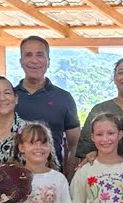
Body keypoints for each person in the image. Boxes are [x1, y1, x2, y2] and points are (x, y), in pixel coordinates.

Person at [14, 36, 80, 176]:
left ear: (48, 61)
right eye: (28, 55)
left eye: (40, 55)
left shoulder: (64, 98)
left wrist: (68, 178)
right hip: (14, 180)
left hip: (52, 179)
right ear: (21, 62)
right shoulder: (8, 98)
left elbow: (75, 144)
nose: (34, 60)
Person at [2, 122, 70, 203]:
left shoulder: (59, 179)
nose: (39, 147)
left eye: (44, 143)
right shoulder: (14, 181)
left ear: (50, 147)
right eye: (32, 143)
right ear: (21, 147)